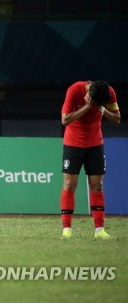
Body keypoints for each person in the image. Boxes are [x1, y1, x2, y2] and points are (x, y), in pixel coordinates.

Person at [60, 80, 121, 239]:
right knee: (69, 184)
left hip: (95, 143)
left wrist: (101, 109)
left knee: (98, 185)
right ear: (87, 92)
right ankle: (67, 229)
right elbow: (65, 120)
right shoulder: (74, 90)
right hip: (73, 143)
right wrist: (87, 106)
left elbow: (117, 119)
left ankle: (99, 230)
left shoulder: (109, 92)